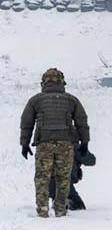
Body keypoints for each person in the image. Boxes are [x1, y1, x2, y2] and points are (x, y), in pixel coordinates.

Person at [20, 68, 91, 218]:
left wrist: (24, 144)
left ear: (43, 82)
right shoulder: (72, 100)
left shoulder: (36, 100)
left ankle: (43, 210)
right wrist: (85, 143)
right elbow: (82, 122)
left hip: (44, 144)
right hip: (66, 145)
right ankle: (60, 209)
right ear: (62, 81)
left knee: (42, 177)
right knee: (63, 178)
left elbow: (26, 123)